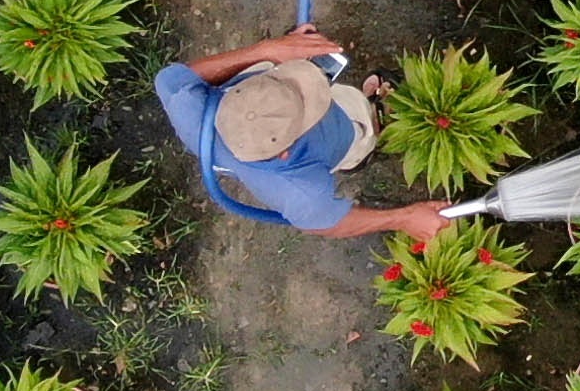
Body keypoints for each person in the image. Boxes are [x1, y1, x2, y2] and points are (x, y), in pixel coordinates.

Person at [154, 25, 449, 241]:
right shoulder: (302, 191)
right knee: (357, 129)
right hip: (338, 139)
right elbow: (330, 223)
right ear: (285, 152)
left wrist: (267, 50)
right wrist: (404, 218)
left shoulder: (189, 109)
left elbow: (169, 78)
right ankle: (370, 129)